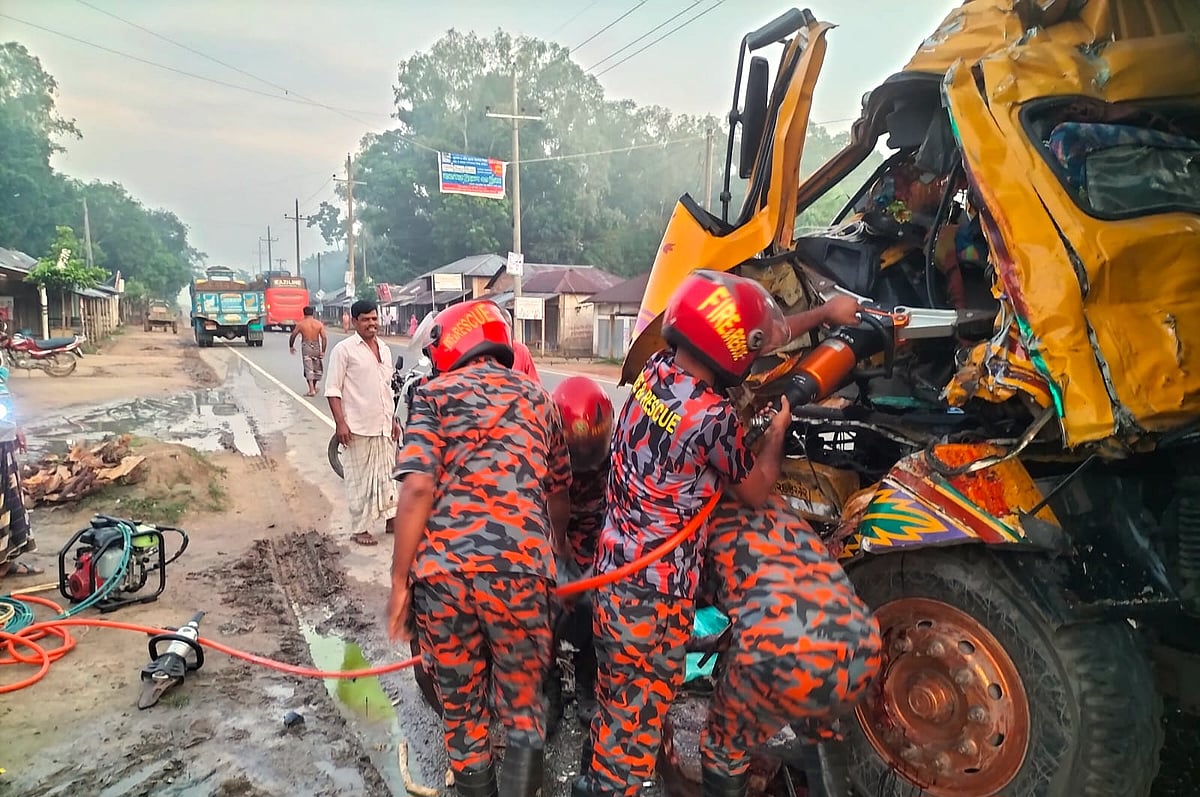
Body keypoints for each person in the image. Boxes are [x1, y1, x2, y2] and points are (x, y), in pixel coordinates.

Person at [575, 270, 861, 797]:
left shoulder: (656, 372)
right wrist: (775, 434)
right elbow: (754, 490)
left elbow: (753, 335)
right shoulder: (712, 417)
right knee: (633, 726)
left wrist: (822, 314)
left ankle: (616, 771)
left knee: (622, 703)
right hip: (655, 597)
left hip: (613, 576)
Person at [386, 298, 572, 797]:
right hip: (522, 574)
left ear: (449, 345)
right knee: (523, 704)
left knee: (462, 710)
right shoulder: (541, 401)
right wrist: (560, 558)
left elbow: (417, 489)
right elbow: (558, 494)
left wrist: (399, 582)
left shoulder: (433, 395)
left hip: (443, 581)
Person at [697, 493, 882, 797]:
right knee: (818, 722)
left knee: (722, 747)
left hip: (779, 648)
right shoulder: (774, 502)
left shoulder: (694, 514)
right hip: (860, 640)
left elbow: (690, 595)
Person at [548, 375, 614, 730]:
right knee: (548, 615)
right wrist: (559, 551)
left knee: (594, 613)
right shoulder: (541, 448)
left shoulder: (618, 449)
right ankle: (551, 688)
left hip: (596, 541)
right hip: (555, 536)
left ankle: (588, 682)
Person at [325, 299, 398, 547]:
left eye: (374, 318)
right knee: (360, 478)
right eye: (366, 319)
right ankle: (360, 528)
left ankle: (391, 518)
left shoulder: (385, 349)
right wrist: (340, 423)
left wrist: (394, 418)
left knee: (387, 474)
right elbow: (333, 390)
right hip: (357, 426)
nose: (371, 324)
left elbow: (386, 388)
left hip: (383, 424)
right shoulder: (344, 350)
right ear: (354, 321)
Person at [0, 366, 38, 579]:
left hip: (3, 445)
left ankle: (5, 560)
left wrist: (16, 428)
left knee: (9, 499)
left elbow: (4, 398)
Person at [289, 306, 328, 397]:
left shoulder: (301, 324)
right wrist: (323, 351)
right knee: (316, 368)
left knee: (308, 368)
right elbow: (324, 338)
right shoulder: (318, 324)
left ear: (304, 313)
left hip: (306, 346)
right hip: (316, 346)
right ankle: (313, 387)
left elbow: (293, 335)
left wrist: (291, 346)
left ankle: (311, 390)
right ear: (313, 313)